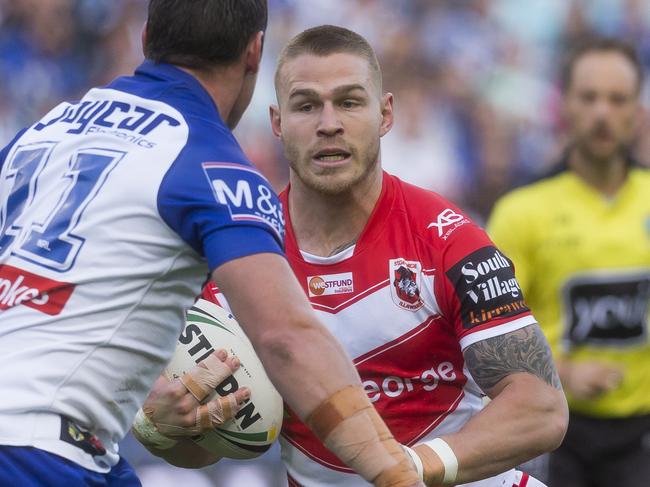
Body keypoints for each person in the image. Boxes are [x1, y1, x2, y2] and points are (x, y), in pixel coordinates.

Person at [0, 2, 423, 486]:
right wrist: (394, 473)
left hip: (70, 446)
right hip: (37, 454)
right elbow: (287, 339)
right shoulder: (212, 165)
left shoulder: (43, 133)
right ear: (254, 51)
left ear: (145, 40)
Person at [141, 25, 568, 487]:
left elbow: (541, 408)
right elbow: (209, 443)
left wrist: (410, 470)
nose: (329, 124)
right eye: (306, 106)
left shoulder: (449, 239)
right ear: (277, 122)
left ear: (385, 114)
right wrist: (164, 429)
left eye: (348, 102)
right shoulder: (241, 256)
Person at [488, 38, 650, 487]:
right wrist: (560, 371)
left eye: (617, 99)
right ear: (565, 106)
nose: (603, 113)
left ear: (637, 111)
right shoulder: (521, 212)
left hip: (641, 437)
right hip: (553, 434)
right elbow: (487, 337)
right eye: (589, 97)